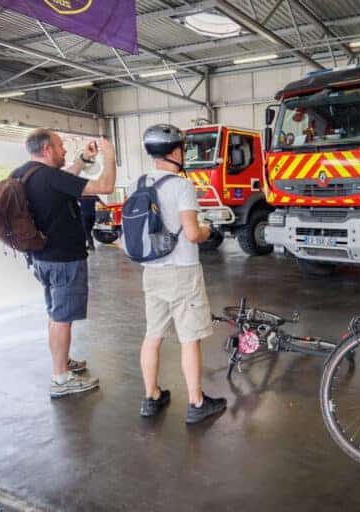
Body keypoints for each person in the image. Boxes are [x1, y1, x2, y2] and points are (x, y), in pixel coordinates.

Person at [135, 124, 227, 424]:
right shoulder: (182, 186)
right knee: (190, 338)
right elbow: (191, 233)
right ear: (175, 152)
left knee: (153, 335)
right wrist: (207, 229)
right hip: (182, 272)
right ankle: (196, 403)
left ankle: (151, 397)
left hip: (152, 271)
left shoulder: (141, 182)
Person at [14, 129, 117, 398]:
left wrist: (83, 159)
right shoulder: (49, 176)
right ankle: (60, 377)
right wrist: (109, 157)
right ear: (47, 149)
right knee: (62, 318)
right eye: (60, 147)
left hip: (42, 257)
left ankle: (63, 361)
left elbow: (64, 179)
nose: (64, 151)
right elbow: (105, 186)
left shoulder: (25, 173)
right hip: (63, 259)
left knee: (54, 313)